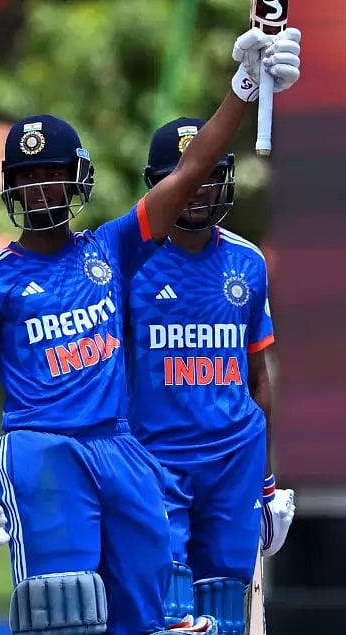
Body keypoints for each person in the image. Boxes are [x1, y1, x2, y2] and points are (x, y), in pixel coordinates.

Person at [0, 26, 302, 635]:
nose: (39, 188)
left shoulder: (113, 248)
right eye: (26, 177)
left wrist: (241, 87)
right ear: (9, 187)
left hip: (123, 449)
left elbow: (191, 172)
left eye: (51, 174)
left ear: (78, 179)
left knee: (154, 612)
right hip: (43, 447)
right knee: (64, 608)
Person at [126, 119, 295, 634]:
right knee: (171, 612)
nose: (197, 191)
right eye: (183, 178)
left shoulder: (247, 261)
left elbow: (259, 381)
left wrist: (267, 482)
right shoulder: (126, 263)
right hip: (158, 461)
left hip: (233, 462)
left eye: (209, 177)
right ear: (159, 183)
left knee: (225, 611)